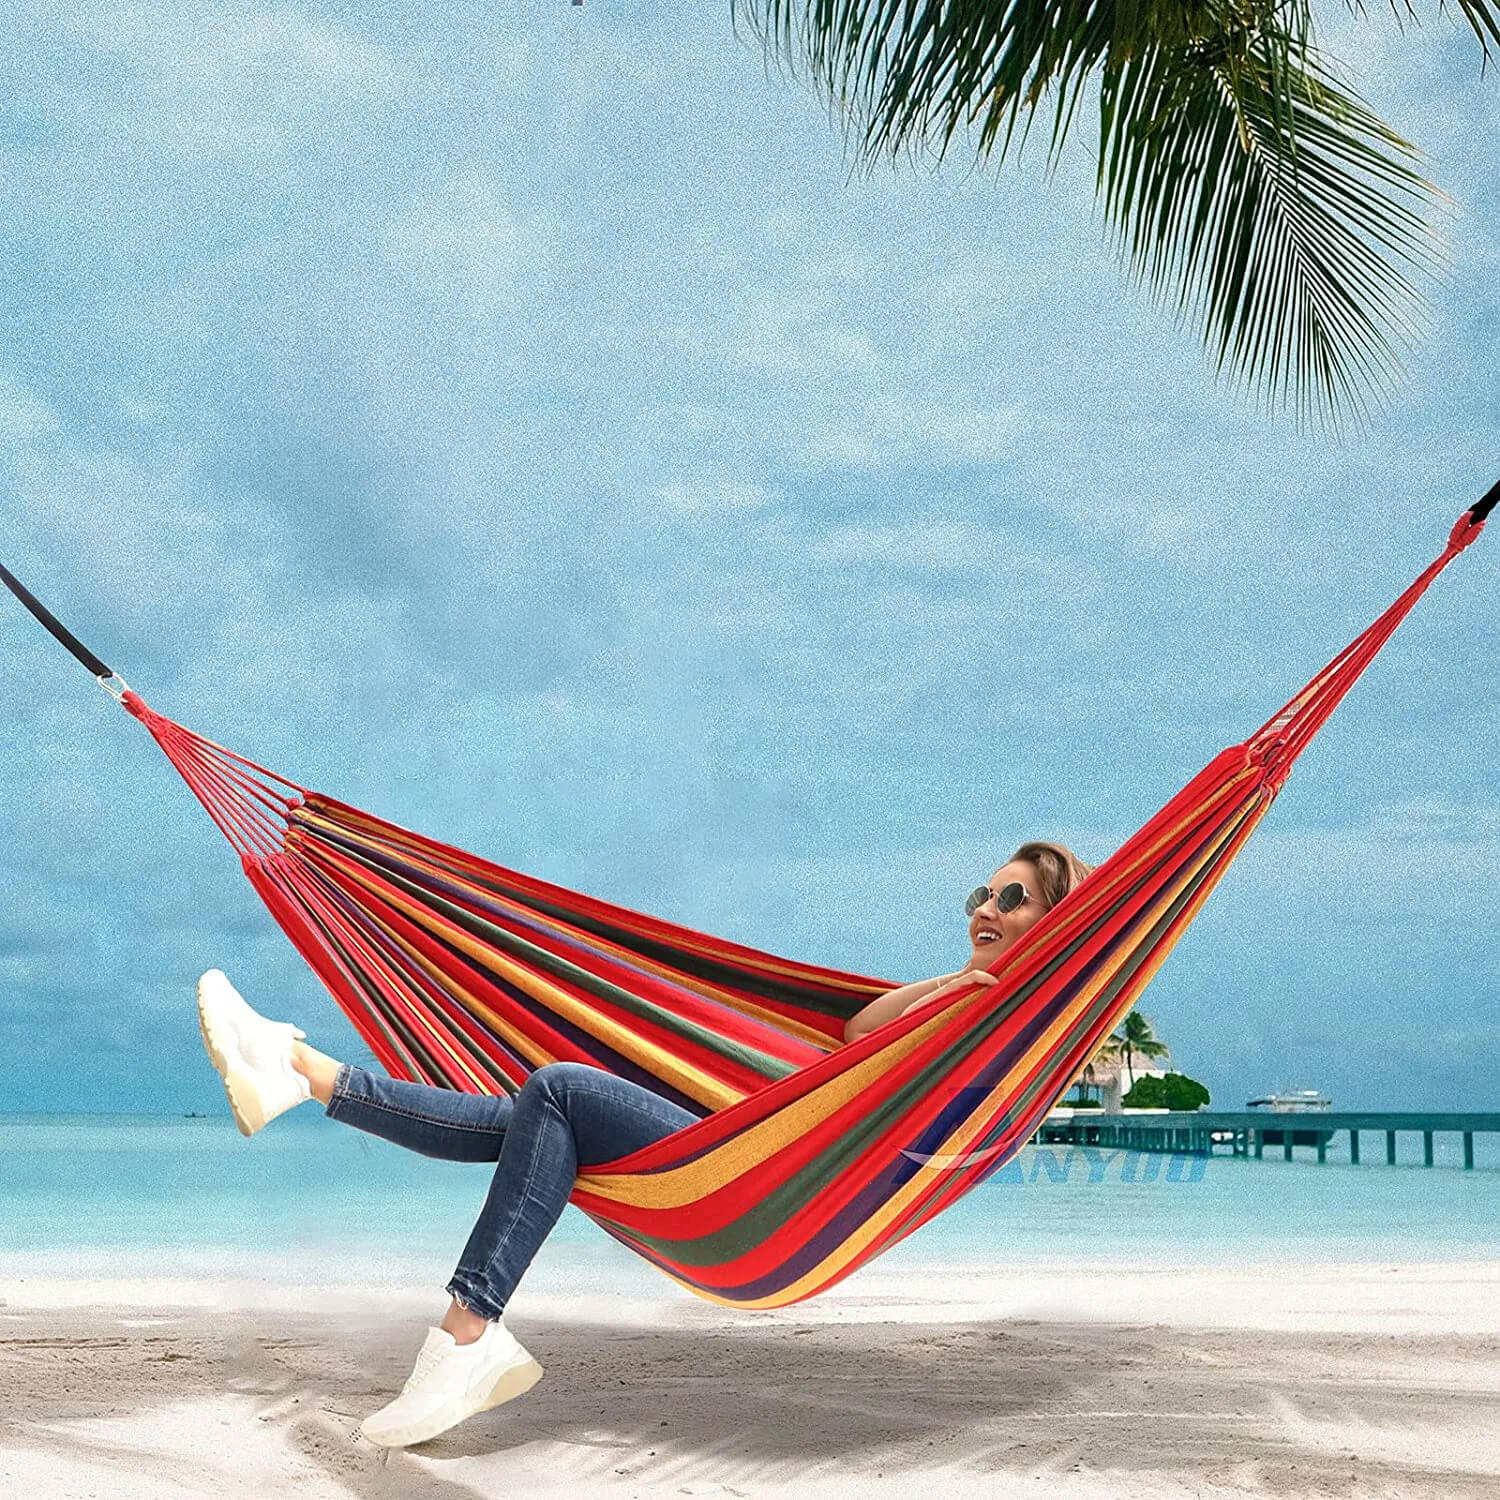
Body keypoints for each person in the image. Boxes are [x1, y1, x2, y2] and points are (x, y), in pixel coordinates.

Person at [195, 839, 1091, 1449]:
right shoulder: (965, 994)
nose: (986, 905)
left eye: (1013, 898)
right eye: (980, 892)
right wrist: (967, 970)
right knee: (536, 1124)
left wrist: (987, 984)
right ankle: (302, 1073)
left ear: (1056, 923)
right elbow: (855, 1031)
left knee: (556, 1091)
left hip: (770, 1200)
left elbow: (900, 1074)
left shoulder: (995, 1020)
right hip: (751, 1170)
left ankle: (466, 1336)